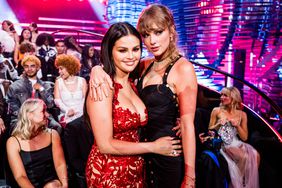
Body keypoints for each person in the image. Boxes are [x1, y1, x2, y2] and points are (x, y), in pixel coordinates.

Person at [89, 4, 197, 188]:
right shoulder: (143, 65)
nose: (152, 41)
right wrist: (96, 69)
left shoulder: (183, 68)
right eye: (146, 35)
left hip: (168, 154)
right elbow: (114, 65)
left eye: (158, 32)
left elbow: (187, 126)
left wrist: (190, 176)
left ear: (171, 31)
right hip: (142, 156)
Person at [199, 86, 260, 188]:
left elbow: (244, 137)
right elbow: (210, 130)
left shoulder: (242, 115)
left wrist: (237, 126)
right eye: (221, 95)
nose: (221, 97)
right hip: (223, 143)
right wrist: (218, 124)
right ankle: (236, 185)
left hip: (236, 142)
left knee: (255, 155)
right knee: (243, 157)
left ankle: (244, 183)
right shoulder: (216, 110)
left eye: (225, 95)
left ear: (233, 98)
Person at [6, 98, 68, 188]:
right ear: (29, 115)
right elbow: (20, 176)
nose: (47, 114)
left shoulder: (52, 135)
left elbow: (60, 164)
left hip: (53, 183)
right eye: (43, 111)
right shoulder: (13, 142)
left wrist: (64, 184)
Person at [54, 54, 92, 187]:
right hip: (66, 114)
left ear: (70, 67)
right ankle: (74, 166)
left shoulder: (82, 80)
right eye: (58, 69)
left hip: (81, 113)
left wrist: (79, 112)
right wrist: (67, 110)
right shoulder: (58, 82)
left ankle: (86, 165)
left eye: (61, 69)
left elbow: (85, 99)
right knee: (71, 129)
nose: (59, 72)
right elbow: (57, 100)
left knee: (83, 128)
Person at [6, 55, 61, 134]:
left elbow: (50, 105)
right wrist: (26, 116)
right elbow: (11, 104)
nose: (29, 69)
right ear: (23, 68)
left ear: (38, 68)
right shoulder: (15, 86)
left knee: (57, 127)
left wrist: (41, 90)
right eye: (26, 66)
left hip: (42, 117)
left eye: (32, 66)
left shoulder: (46, 85)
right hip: (21, 118)